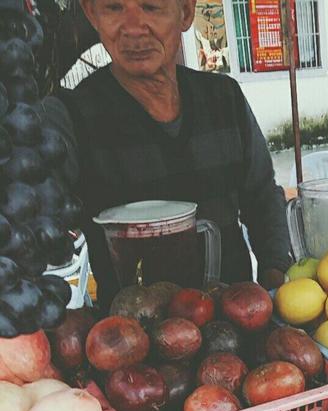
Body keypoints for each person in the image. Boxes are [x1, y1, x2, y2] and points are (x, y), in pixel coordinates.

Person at [45, 0, 290, 312]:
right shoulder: (70, 118)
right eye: (113, 8)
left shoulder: (224, 98)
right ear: (92, 14)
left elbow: (262, 197)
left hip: (234, 329)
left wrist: (275, 280)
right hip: (130, 341)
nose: (133, 28)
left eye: (151, 7)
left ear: (186, 12)